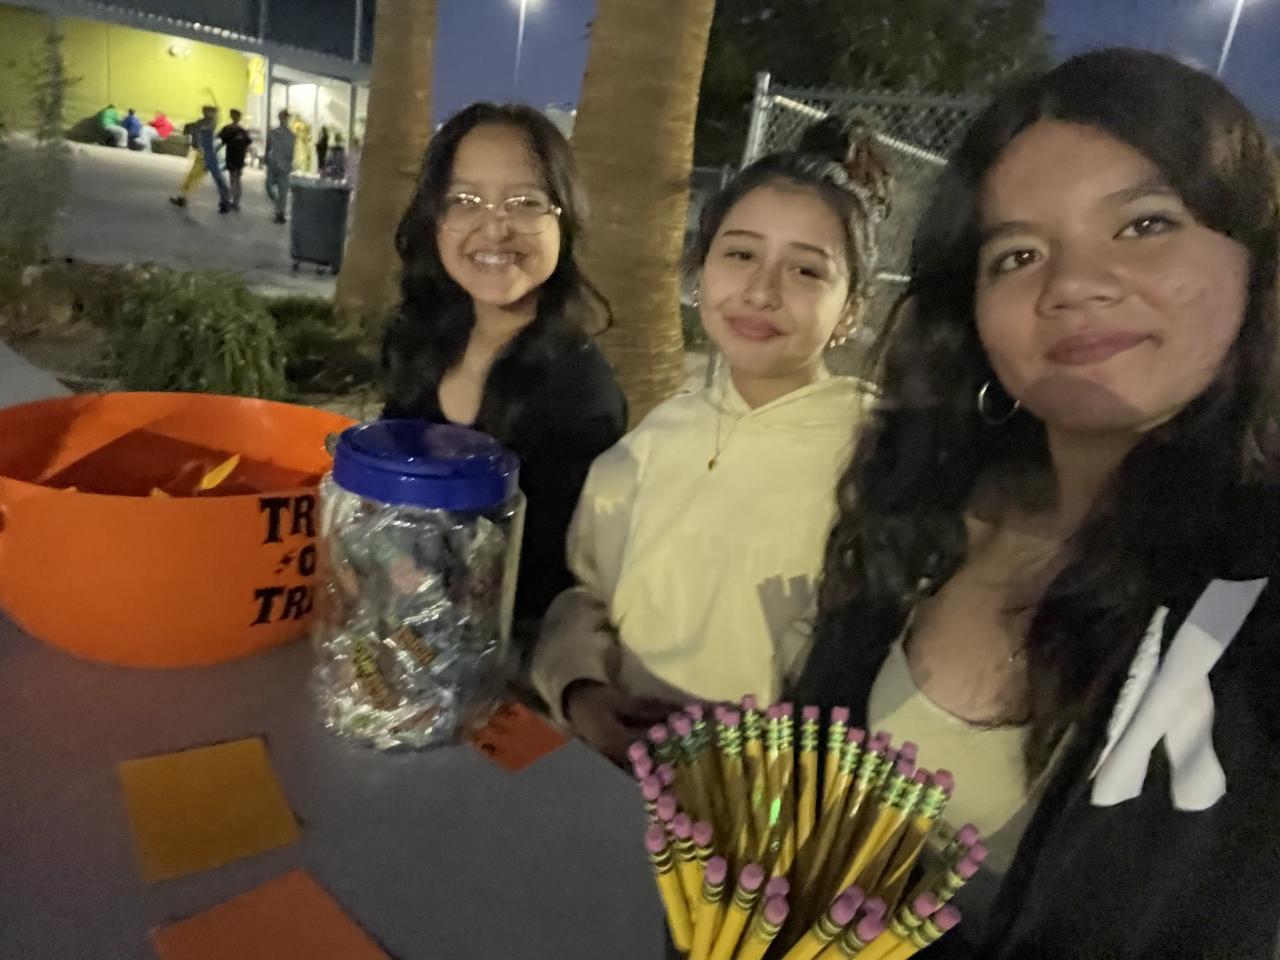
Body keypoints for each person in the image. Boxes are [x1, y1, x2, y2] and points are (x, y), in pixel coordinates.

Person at [796, 48, 1280, 958]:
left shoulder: (1254, 584)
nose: (1073, 285)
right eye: (1017, 254)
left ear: (1253, 263)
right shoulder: (924, 512)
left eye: (1144, 224)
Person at [531, 123, 891, 762]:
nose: (761, 291)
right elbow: (588, 596)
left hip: (772, 796)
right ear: (701, 269)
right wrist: (582, 690)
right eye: (741, 255)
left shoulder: (878, 457)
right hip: (622, 769)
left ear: (852, 309)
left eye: (806, 270)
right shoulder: (647, 447)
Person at [383, 102, 628, 660]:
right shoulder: (421, 339)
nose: (494, 227)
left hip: (508, 666)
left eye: (525, 202)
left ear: (564, 220)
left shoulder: (579, 394)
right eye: (464, 201)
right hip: (399, 640)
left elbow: (552, 588)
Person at [169, 106, 231, 214]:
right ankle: (183, 197)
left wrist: (190, 127)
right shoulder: (204, 121)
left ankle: (225, 201)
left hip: (205, 154)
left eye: (206, 111)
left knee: (197, 177)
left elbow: (198, 126)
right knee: (193, 176)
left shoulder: (209, 122)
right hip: (201, 153)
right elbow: (193, 127)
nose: (204, 112)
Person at [217, 108, 252, 211]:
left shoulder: (228, 129)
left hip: (232, 156)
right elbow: (248, 143)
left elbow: (221, 140)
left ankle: (234, 201)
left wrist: (215, 150)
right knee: (237, 179)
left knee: (233, 179)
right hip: (239, 157)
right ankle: (236, 202)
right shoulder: (243, 131)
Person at [264, 109, 295, 224]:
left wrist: (289, 165)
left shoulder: (291, 135)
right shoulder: (273, 132)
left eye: (286, 117)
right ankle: (278, 206)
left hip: (284, 165)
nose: (284, 119)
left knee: (283, 191)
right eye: (282, 117)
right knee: (268, 186)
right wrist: (266, 158)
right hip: (273, 163)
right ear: (279, 118)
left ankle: (280, 214)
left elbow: (291, 152)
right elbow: (268, 147)